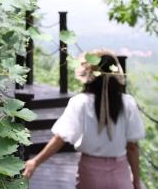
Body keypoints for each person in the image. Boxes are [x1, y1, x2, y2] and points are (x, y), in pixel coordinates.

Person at [23, 50, 145, 189]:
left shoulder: (80, 102)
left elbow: (60, 138)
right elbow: (132, 147)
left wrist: (35, 162)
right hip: (119, 171)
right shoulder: (127, 103)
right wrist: (136, 180)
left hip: (90, 171)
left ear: (89, 73)